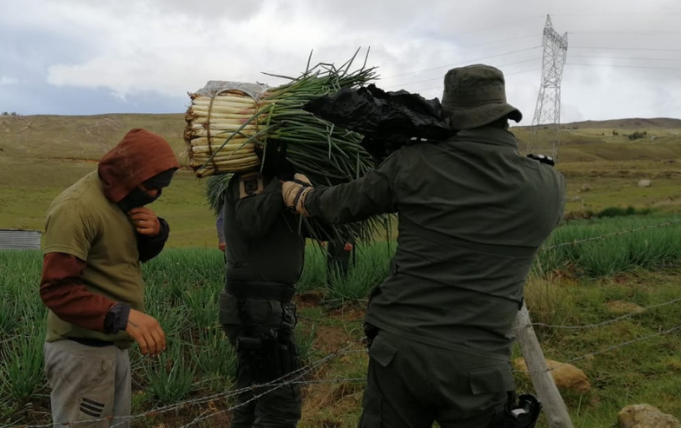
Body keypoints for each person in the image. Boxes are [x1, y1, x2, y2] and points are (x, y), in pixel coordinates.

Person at [281, 64, 566, 428]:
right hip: (479, 364)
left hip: (401, 351)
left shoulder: (413, 164)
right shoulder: (549, 184)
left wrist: (299, 195)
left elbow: (339, 205)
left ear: (447, 115)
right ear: (502, 113)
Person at [40, 128, 179, 427]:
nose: (154, 195)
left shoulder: (122, 200)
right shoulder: (76, 209)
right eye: (150, 186)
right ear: (127, 174)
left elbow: (123, 258)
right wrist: (122, 316)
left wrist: (157, 232)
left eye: (160, 187)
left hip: (112, 349)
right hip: (81, 356)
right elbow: (56, 290)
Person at [218, 148, 305, 428]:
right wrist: (280, 180)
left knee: (252, 400)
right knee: (279, 406)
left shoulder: (285, 183)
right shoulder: (252, 178)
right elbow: (251, 221)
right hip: (256, 307)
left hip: (263, 307)